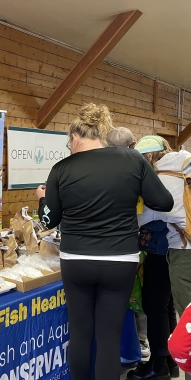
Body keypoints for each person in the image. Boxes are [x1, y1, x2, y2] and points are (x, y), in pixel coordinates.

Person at [35, 103, 174, 380]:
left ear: (75, 137)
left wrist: (42, 198)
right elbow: (164, 201)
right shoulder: (132, 160)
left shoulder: (61, 168)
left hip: (77, 260)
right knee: (108, 338)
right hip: (120, 260)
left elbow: (48, 221)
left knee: (81, 333)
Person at [129, 135, 191, 380]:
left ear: (150, 157)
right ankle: (171, 363)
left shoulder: (160, 178)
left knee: (177, 310)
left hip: (179, 249)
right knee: (169, 307)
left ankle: (168, 367)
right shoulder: (185, 164)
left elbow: (141, 218)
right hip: (179, 246)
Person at [106, 127, 151, 361]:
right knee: (135, 294)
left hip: (108, 246)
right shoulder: (138, 170)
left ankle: (138, 343)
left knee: (130, 296)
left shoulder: (100, 169)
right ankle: (139, 343)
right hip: (132, 244)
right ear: (133, 146)